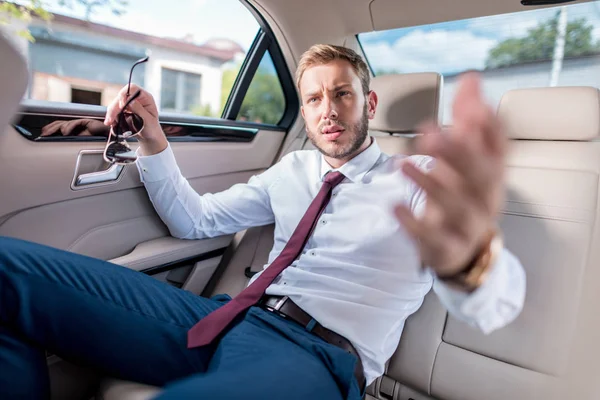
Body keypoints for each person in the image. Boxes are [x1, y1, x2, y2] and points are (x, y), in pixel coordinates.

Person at [0, 44, 525, 399]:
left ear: (367, 102)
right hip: (222, 319)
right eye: (314, 98)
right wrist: (155, 139)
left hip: (318, 356)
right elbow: (195, 220)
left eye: (342, 93)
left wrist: (465, 260)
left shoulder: (420, 178)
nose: (328, 110)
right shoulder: (292, 169)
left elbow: (497, 303)